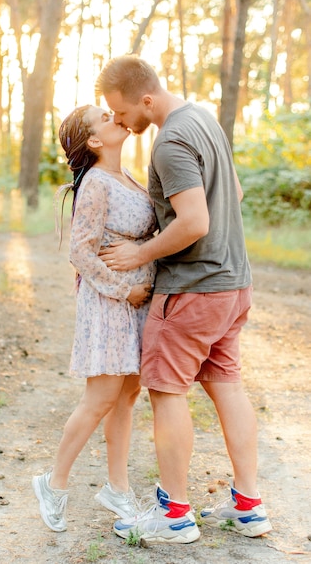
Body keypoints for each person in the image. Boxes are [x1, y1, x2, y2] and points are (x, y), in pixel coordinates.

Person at [95, 55, 272, 544]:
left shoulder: (170, 141)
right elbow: (231, 192)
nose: (121, 122)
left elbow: (195, 222)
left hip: (193, 290)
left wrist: (139, 253)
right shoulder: (203, 119)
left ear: (146, 99)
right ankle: (248, 506)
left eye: (122, 111)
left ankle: (174, 515)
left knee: (168, 393)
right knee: (228, 387)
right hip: (234, 284)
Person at [32, 104, 157, 532]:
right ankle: (54, 482)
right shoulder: (97, 184)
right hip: (110, 303)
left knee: (125, 398)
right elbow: (80, 252)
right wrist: (125, 289)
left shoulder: (129, 179)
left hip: (136, 304)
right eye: (104, 117)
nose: (115, 116)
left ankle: (117, 488)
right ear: (94, 141)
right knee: (100, 399)